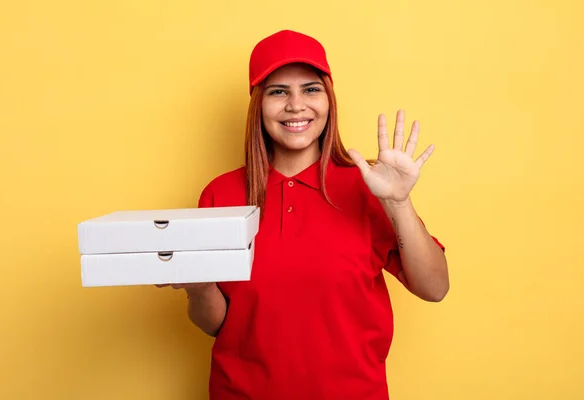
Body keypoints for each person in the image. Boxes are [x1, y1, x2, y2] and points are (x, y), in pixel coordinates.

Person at [159, 30, 449, 400]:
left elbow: (435, 288)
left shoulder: (370, 186)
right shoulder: (221, 194)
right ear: (258, 104)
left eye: (311, 89)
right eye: (278, 91)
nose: (296, 105)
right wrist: (198, 285)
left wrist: (398, 202)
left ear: (329, 99)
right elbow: (217, 326)